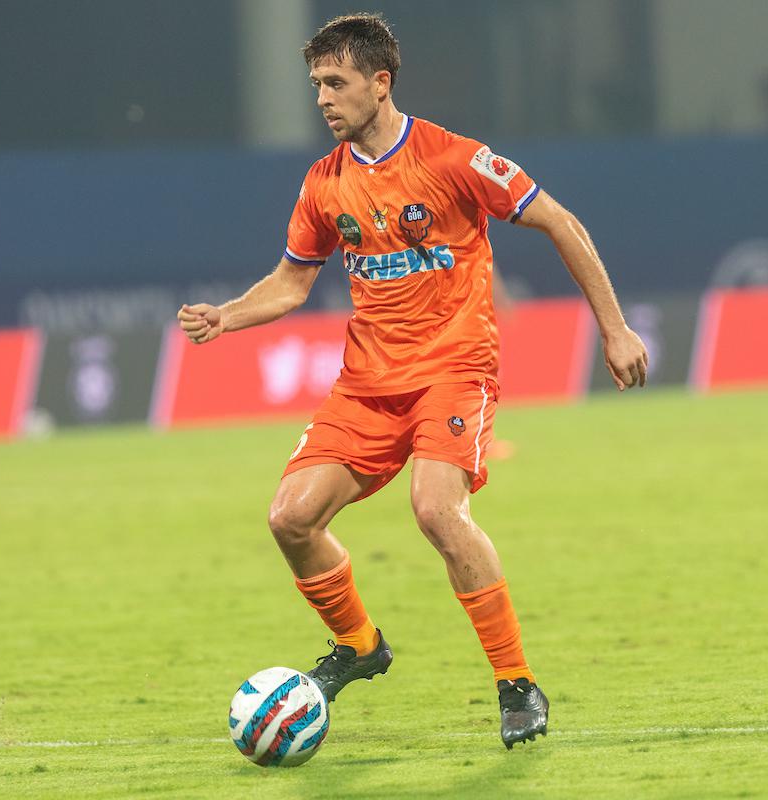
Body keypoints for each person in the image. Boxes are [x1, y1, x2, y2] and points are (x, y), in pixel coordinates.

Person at [177, 14, 647, 750]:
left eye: (337, 83)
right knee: (290, 518)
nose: (324, 99)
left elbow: (560, 221)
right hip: (367, 385)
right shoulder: (324, 184)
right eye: (316, 86)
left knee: (436, 510)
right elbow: (293, 282)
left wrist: (614, 329)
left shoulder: (456, 159)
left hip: (455, 371)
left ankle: (517, 682)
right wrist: (227, 316)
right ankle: (361, 646)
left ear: (380, 82)